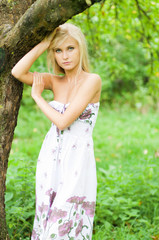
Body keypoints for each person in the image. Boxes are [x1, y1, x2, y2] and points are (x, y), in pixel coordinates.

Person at [11, 22, 101, 240]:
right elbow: (17, 71)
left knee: (64, 222)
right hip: (51, 156)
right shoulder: (54, 81)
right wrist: (44, 42)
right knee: (47, 216)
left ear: (81, 49)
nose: (65, 56)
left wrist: (38, 97)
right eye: (58, 50)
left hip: (77, 160)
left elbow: (63, 122)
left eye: (71, 48)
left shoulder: (92, 80)